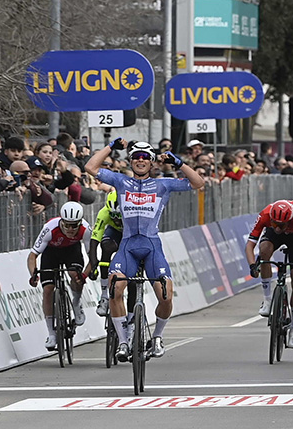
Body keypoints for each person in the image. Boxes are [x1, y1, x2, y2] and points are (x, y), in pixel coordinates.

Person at [84, 139, 205, 361]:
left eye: (145, 157)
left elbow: (198, 183)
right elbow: (91, 168)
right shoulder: (120, 182)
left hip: (151, 245)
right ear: (130, 162)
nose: (141, 160)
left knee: (166, 296)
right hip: (128, 245)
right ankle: (122, 341)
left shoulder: (163, 184)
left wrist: (178, 161)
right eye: (136, 157)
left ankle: (157, 337)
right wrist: (111, 146)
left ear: (151, 163)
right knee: (115, 289)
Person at [245, 200, 293, 349]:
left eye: (280, 225)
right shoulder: (266, 215)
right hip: (275, 237)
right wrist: (252, 265)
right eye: (274, 224)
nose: (277, 228)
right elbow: (250, 245)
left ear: (288, 221)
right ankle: (268, 300)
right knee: (264, 251)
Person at [26, 201, 91, 351]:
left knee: (75, 276)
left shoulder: (86, 229)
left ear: (80, 223)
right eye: (66, 224)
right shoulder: (50, 228)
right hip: (51, 253)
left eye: (74, 225)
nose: (69, 229)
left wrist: (84, 276)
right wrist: (33, 274)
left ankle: (76, 302)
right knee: (48, 290)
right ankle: (52, 334)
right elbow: (32, 256)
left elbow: (92, 258)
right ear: (61, 221)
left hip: (72, 251)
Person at [87, 190, 123, 317]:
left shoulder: (133, 213)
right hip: (113, 232)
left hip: (130, 232)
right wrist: (93, 262)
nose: (117, 219)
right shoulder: (104, 213)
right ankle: (104, 296)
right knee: (106, 247)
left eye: (119, 215)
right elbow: (95, 238)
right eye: (114, 216)